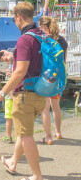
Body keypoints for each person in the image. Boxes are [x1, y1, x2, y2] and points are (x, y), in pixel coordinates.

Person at [0, 2, 46, 180]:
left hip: (25, 96)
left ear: (19, 17)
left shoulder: (24, 39)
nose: (14, 21)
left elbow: (20, 71)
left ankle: (36, 175)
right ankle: (13, 162)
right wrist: (14, 56)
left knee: (26, 135)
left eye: (14, 18)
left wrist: (2, 93)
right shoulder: (40, 35)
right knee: (24, 132)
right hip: (40, 93)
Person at [38, 16, 68, 145]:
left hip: (45, 77)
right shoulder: (62, 41)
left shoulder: (43, 40)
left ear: (44, 27)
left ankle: (48, 137)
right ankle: (58, 132)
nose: (39, 29)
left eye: (40, 27)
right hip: (58, 77)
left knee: (45, 108)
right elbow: (64, 61)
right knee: (56, 107)